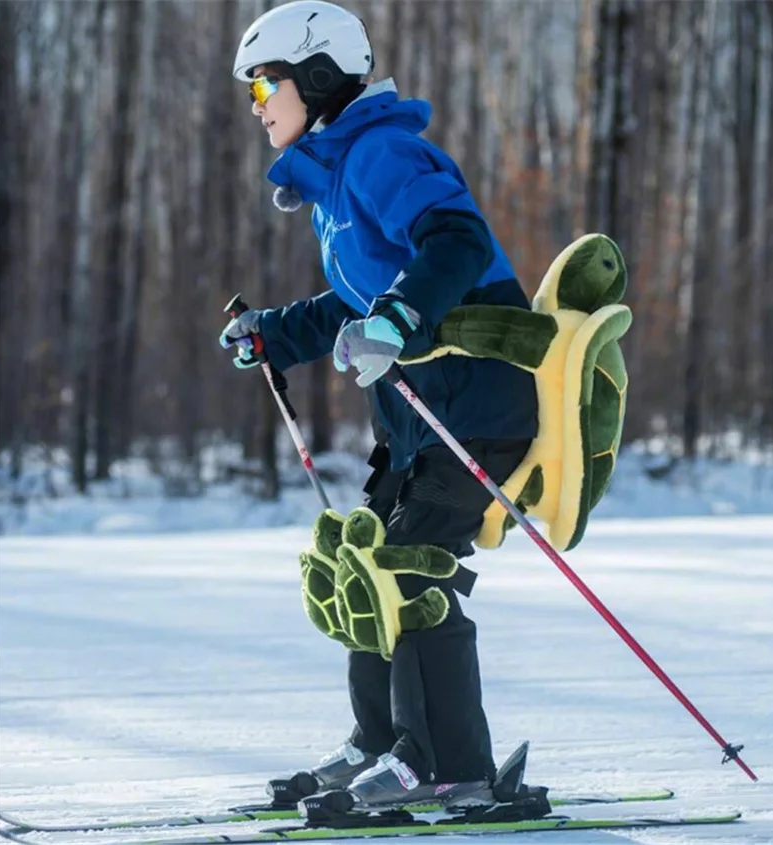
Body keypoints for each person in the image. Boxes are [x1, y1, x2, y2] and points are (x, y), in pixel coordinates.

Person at [220, 0, 539, 809]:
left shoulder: (382, 153)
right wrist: (273, 336)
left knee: (412, 572)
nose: (258, 107)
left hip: (475, 404)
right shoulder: (337, 177)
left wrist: (398, 316)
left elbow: (456, 241)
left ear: (316, 80)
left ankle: (446, 761)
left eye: (265, 89)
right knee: (364, 563)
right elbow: (354, 300)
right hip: (422, 415)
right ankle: (383, 740)